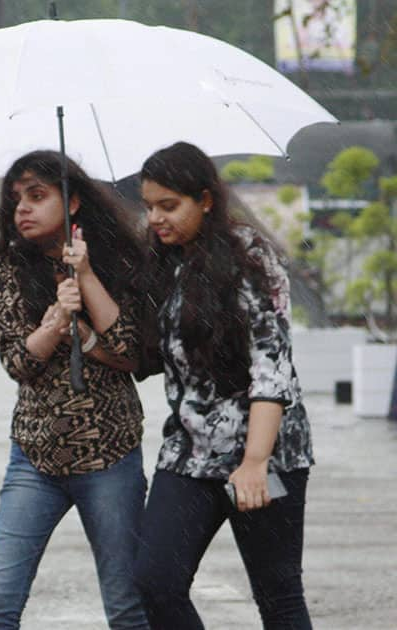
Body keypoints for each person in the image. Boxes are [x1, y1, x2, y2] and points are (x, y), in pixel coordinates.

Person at [132, 142, 314, 629]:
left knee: (278, 597)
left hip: (266, 451)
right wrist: (82, 279)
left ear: (206, 200)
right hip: (189, 452)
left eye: (169, 206)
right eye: (149, 206)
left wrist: (255, 462)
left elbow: (271, 365)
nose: (155, 218)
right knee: (155, 582)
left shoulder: (250, 257)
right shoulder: (162, 263)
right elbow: (142, 356)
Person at [0, 150, 148, 629]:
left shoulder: (117, 254)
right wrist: (55, 322)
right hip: (35, 457)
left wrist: (88, 278)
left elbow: (131, 353)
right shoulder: (4, 264)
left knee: (126, 605)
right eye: (16, 200)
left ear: (72, 202)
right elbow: (18, 362)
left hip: (110, 455)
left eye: (37, 196)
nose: (22, 210)